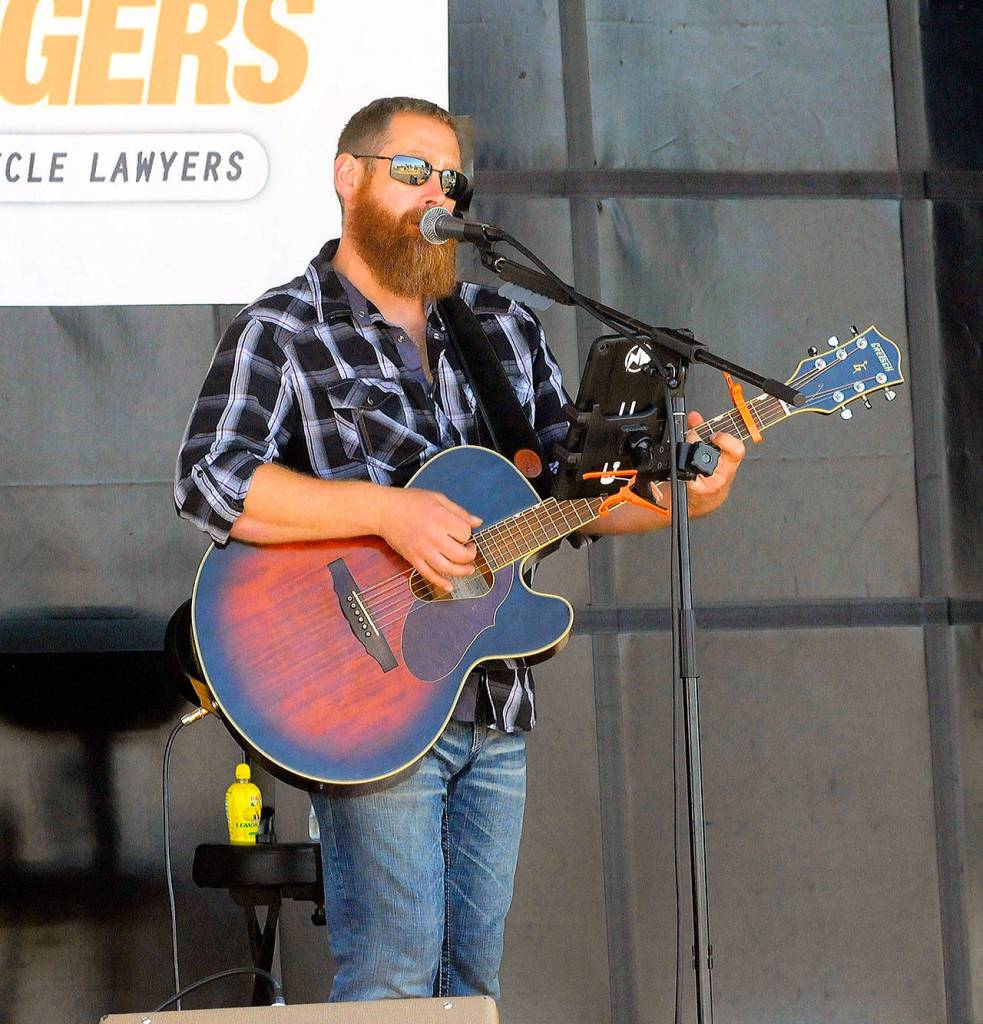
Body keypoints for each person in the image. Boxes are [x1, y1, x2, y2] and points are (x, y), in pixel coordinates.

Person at [174, 96, 745, 1003]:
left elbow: (573, 501)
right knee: (394, 982)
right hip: (369, 699)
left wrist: (682, 499)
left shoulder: (503, 328)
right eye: (411, 172)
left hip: (492, 701)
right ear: (347, 176)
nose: (436, 193)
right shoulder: (282, 329)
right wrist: (387, 513)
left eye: (449, 180)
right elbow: (211, 480)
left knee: (469, 989)